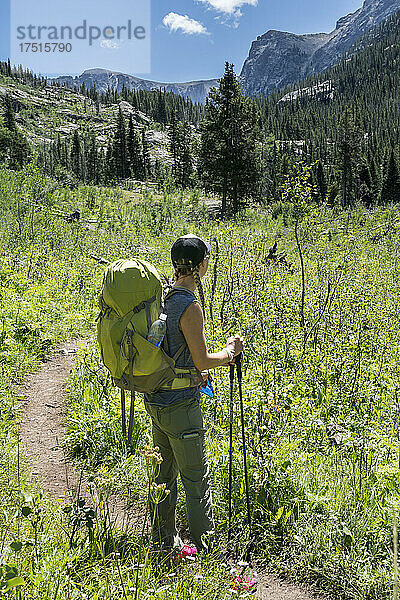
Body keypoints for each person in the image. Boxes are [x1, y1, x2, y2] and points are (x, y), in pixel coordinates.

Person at [143, 234, 244, 560]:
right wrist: (229, 353)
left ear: (176, 265)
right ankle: (210, 554)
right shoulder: (190, 305)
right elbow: (201, 361)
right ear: (201, 265)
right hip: (182, 406)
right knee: (196, 481)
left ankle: (165, 541)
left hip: (157, 401)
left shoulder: (163, 298)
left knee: (163, 476)